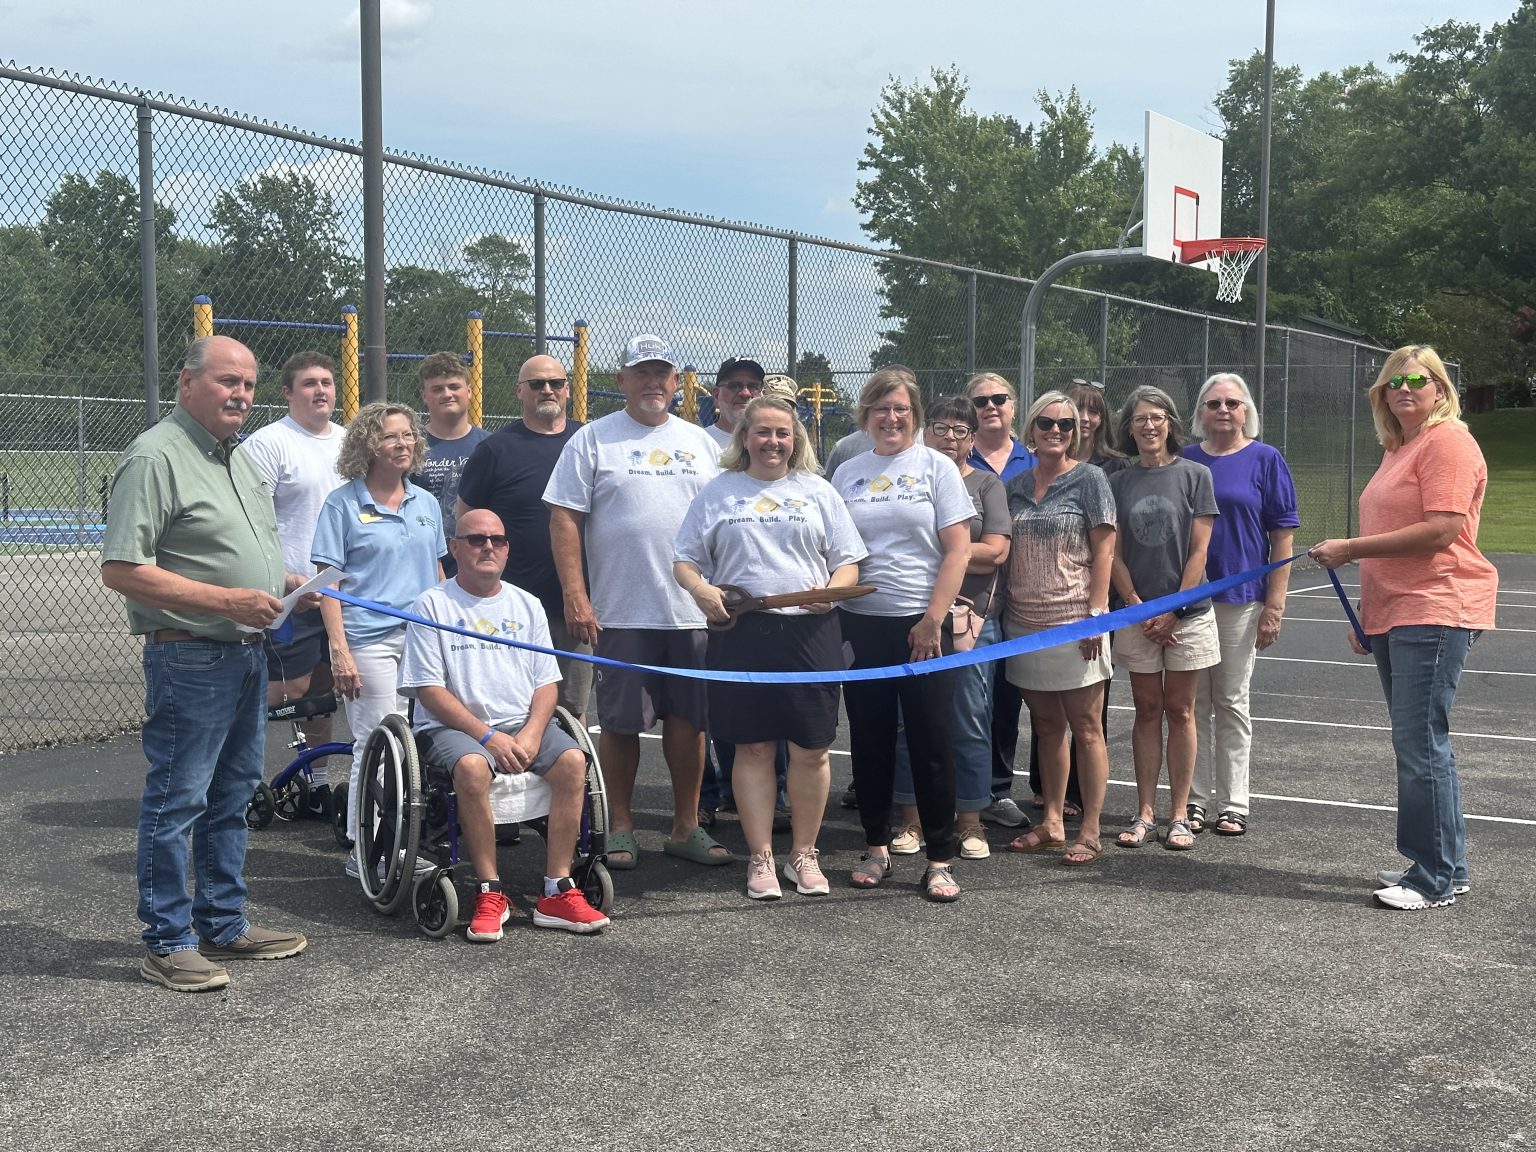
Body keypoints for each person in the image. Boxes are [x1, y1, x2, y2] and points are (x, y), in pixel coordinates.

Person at [101, 334, 312, 992]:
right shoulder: (156, 456)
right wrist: (228, 599)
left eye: (248, 384)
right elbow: (122, 568)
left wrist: (290, 584)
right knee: (178, 799)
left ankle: (222, 922)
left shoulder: (237, 458)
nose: (240, 395)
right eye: (227, 381)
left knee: (233, 794)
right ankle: (167, 941)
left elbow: (233, 551)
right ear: (187, 383)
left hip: (246, 652)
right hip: (190, 655)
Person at [1310, 346, 1497, 911]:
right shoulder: (1400, 448)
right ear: (1382, 396)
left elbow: (1441, 531)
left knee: (1419, 744)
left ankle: (1432, 878)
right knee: (1422, 744)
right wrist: (1369, 613)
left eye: (1418, 379)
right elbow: (1391, 545)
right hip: (1398, 610)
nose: (1405, 389)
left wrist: (1349, 549)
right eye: (1393, 383)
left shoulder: (1448, 442)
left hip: (1436, 605)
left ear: (1439, 388)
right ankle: (1445, 866)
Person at [543, 334, 728, 870]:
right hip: (620, 612)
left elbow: (726, 519)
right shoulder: (592, 440)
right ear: (621, 380)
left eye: (661, 373)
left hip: (692, 612)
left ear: (677, 382)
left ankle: (686, 826)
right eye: (641, 373)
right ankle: (620, 825)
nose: (652, 383)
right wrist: (576, 594)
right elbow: (564, 518)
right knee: (621, 725)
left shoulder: (701, 443)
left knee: (690, 723)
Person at [674, 395, 866, 900]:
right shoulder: (718, 491)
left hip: (810, 634)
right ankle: (760, 858)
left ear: (795, 439)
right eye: (763, 432)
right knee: (754, 747)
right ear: (744, 438)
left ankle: (804, 854)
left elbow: (848, 562)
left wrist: (832, 591)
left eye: (783, 433)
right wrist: (701, 590)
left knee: (811, 749)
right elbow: (684, 561)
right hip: (742, 634)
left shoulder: (818, 490)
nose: (773, 442)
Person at [399, 509, 610, 937]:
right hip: (454, 729)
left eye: (497, 539)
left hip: (521, 722)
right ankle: (489, 889)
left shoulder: (526, 604)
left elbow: (547, 683)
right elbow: (429, 690)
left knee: (574, 761)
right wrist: (488, 737)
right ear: (455, 548)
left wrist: (532, 732)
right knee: (473, 766)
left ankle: (557, 889)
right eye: (476, 539)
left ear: (508, 549)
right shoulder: (432, 604)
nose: (488, 547)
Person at [832, 367, 973, 901]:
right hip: (861, 624)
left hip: (924, 626)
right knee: (868, 740)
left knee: (932, 743)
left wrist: (932, 619)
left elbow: (958, 550)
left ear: (915, 416)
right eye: (881, 408)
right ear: (866, 414)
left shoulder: (937, 467)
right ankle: (876, 846)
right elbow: (836, 550)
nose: (891, 418)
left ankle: (939, 859)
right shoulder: (848, 472)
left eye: (901, 409)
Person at [311, 401, 446, 857]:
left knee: (424, 744)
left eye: (408, 435)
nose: (403, 443)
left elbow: (438, 573)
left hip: (424, 639)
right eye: (391, 436)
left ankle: (409, 840)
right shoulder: (342, 504)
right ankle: (367, 850)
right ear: (369, 445)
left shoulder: (426, 503)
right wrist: (339, 650)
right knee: (379, 744)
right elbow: (327, 585)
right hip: (369, 640)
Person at [889, 396, 1010, 861]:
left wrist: (942, 549)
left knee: (969, 721)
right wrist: (955, 549)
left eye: (961, 431)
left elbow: (996, 551)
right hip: (912, 615)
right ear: (925, 432)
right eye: (941, 428)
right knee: (909, 722)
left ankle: (970, 821)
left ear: (972, 439)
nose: (950, 438)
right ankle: (912, 820)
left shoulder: (986, 484)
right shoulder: (906, 478)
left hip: (969, 621)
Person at [1181, 372, 1299, 838]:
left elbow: (1282, 537)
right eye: (1214, 404)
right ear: (1201, 412)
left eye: (1232, 403)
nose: (1223, 411)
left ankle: (1233, 803)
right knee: (1191, 704)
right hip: (1191, 601)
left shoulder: (1265, 459)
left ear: (1246, 410)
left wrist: (1275, 604)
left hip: (1241, 600)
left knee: (1230, 700)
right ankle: (1192, 800)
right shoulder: (1186, 459)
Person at [1001, 391, 1116, 865]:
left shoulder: (1091, 479)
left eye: (1066, 425)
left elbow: (1105, 549)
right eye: (1046, 423)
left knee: (1087, 728)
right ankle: (1051, 821)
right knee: (1046, 726)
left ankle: (1089, 829)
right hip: (1023, 624)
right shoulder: (1015, 486)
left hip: (1075, 622)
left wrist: (1097, 614)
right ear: (1031, 429)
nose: (1056, 431)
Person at [1108, 385, 1220, 851]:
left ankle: (1179, 815)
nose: (1149, 425)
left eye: (1157, 417)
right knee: (1146, 709)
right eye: (1140, 419)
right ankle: (1144, 812)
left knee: (1181, 709)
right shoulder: (1118, 482)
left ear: (1171, 423)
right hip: (1137, 616)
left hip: (1187, 617)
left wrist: (1173, 610)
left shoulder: (1196, 475)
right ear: (1129, 428)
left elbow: (1199, 551)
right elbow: (1112, 552)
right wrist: (1137, 604)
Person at [456, 354, 591, 722]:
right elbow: (467, 520)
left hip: (574, 605)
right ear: (519, 391)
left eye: (556, 383)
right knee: (508, 704)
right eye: (536, 384)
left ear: (567, 389)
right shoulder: (495, 449)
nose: (547, 390)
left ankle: (574, 762)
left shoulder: (587, 440)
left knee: (572, 709)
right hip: (510, 607)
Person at [241, 350, 345, 816]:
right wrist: (285, 579)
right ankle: (239, 781)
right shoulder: (269, 444)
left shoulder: (349, 442)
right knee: (285, 693)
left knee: (324, 694)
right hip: (294, 595)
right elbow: (251, 522)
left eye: (326, 382)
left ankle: (316, 783)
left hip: (341, 593)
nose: (320, 390)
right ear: (287, 392)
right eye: (309, 383)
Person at [964, 372, 1037, 830]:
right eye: (980, 401)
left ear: (1013, 406)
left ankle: (997, 789)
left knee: (1007, 701)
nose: (990, 406)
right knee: (968, 702)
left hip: (1026, 598)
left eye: (999, 398)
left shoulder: (1036, 457)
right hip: (973, 600)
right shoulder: (952, 457)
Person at [416, 352, 489, 577]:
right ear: (424, 396)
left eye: (454, 387)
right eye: (437, 389)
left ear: (469, 391)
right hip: (423, 559)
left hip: (477, 558)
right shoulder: (409, 445)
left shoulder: (490, 446)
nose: (447, 394)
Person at [705, 354, 766, 448]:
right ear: (716, 396)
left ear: (763, 395)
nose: (745, 394)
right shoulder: (699, 442)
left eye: (753, 386)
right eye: (735, 386)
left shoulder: (774, 444)